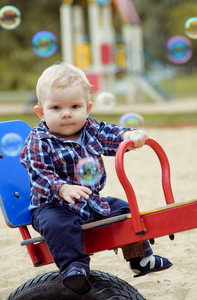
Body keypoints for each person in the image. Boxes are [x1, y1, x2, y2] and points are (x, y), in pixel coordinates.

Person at [20, 62, 172, 295]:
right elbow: (38, 173)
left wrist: (127, 135)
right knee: (59, 224)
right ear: (41, 112)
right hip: (51, 206)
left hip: (89, 201)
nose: (67, 113)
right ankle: (74, 267)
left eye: (75, 106)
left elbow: (110, 135)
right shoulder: (38, 140)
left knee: (124, 209)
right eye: (56, 108)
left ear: (88, 108)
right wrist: (61, 188)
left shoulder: (90, 128)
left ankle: (141, 259)